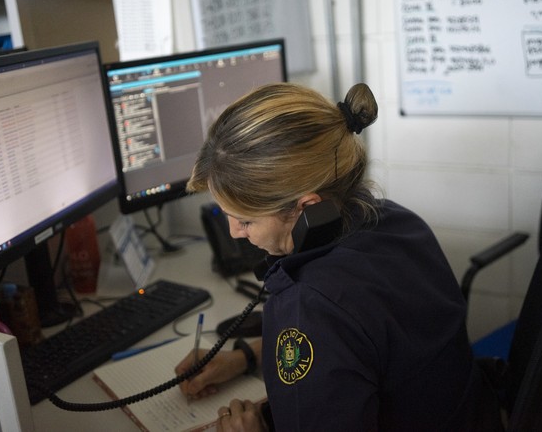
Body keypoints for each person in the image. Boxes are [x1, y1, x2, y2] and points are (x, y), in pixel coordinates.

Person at [175, 82, 499, 431]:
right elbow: (364, 343)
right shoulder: (398, 222)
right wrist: (246, 356)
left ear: (306, 208)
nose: (235, 232)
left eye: (245, 219)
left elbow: (335, 327)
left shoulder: (310, 304)